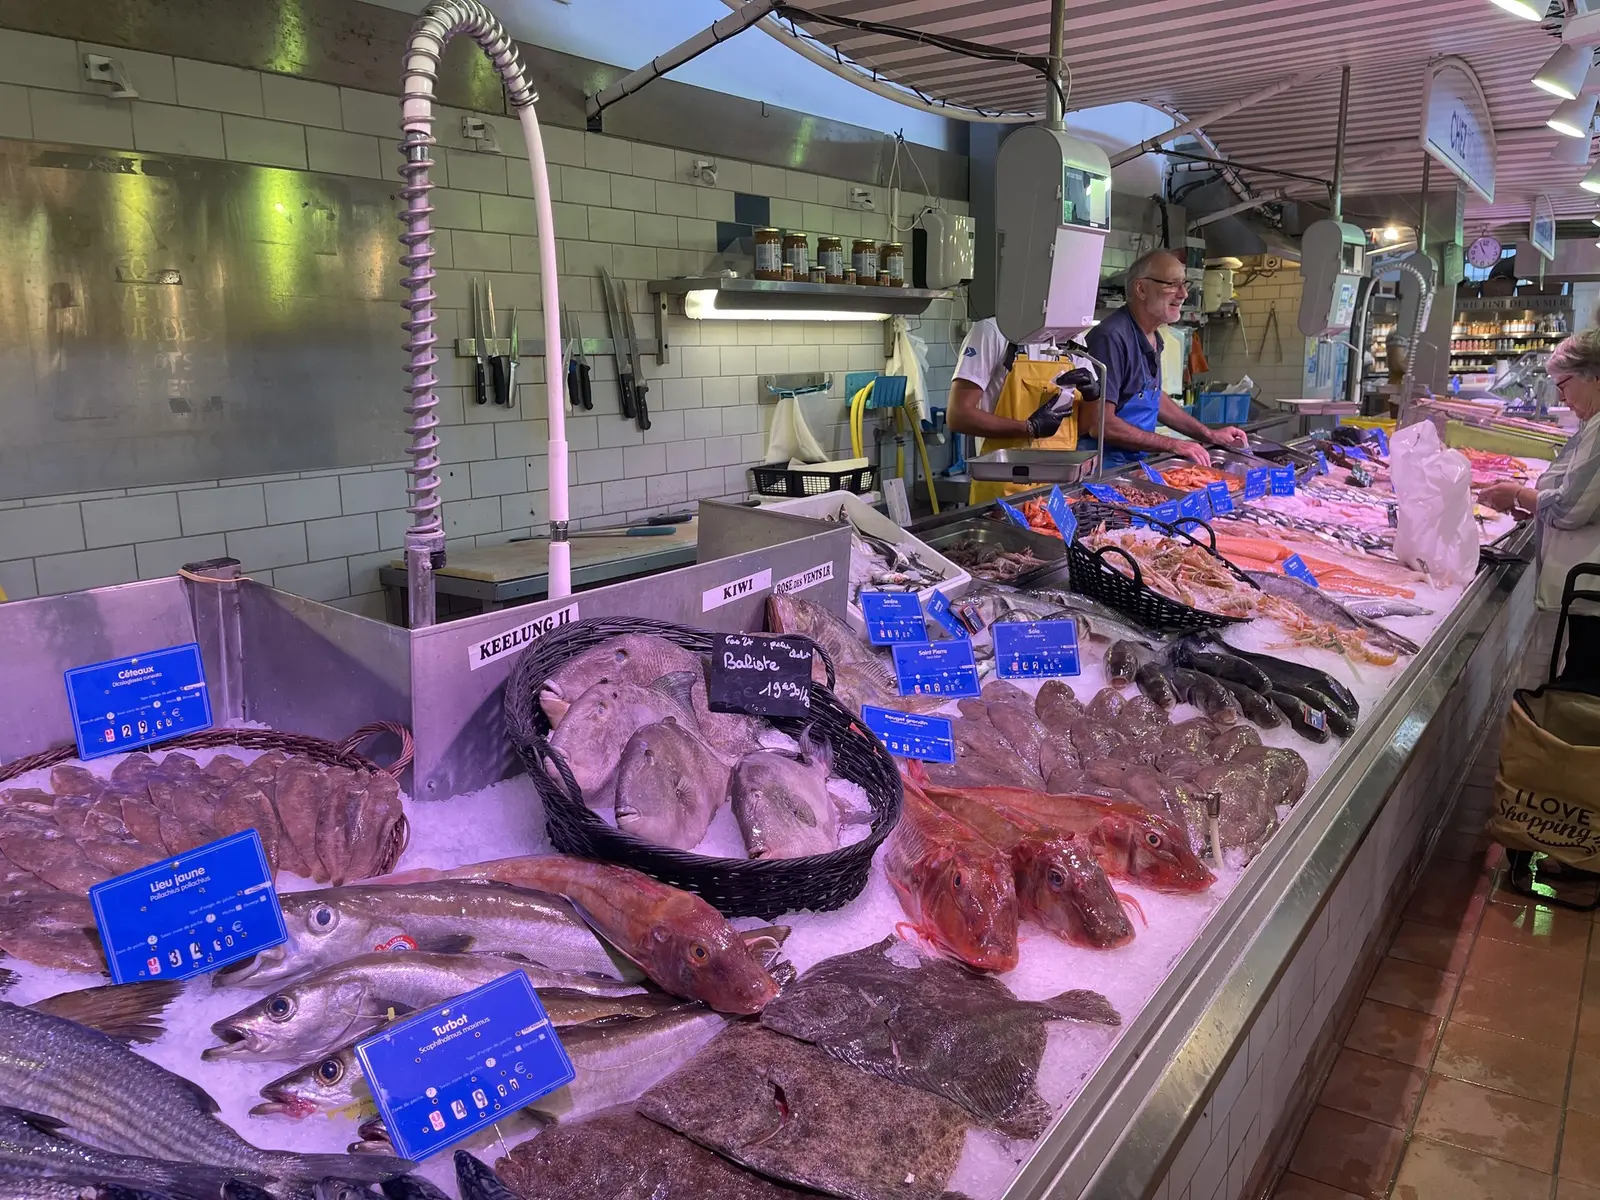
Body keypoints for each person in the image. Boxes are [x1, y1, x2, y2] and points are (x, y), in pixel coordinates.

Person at [1479, 329, 1600, 683]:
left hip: (1591, 597)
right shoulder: (1591, 423)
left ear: (1593, 376)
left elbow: (1568, 508)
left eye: (1563, 384)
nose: (1561, 397)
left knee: (1579, 692)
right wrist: (1535, 506)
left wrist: (1519, 495)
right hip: (1585, 594)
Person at [1077, 250, 1249, 469]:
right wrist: (1172, 444)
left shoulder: (1152, 336)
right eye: (1172, 284)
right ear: (1141, 289)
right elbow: (1099, 423)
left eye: (1184, 284)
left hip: (1132, 465)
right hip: (1102, 469)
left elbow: (1154, 397)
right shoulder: (1111, 338)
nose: (1183, 294)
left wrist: (1208, 434)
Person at [946, 316, 1101, 504]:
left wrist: (1093, 396)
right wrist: (1029, 427)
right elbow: (958, 415)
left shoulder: (1074, 339)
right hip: (1004, 492)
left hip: (1058, 494)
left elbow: (1084, 427)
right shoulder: (993, 332)